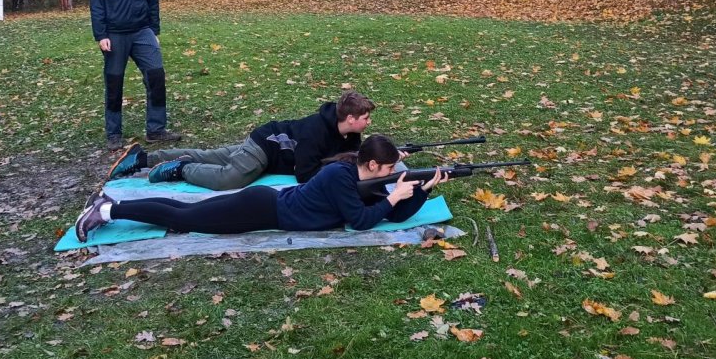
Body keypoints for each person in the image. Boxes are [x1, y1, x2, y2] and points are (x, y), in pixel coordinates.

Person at [74, 135, 447, 241]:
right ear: (373, 166)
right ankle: (107, 210)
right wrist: (394, 196)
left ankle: (109, 206)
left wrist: (423, 190)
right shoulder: (342, 177)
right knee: (183, 217)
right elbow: (361, 221)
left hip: (268, 206)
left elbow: (392, 214)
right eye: (390, 169)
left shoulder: (361, 177)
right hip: (262, 209)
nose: (393, 174)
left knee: (183, 213)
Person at [108, 90, 375, 190]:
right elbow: (304, 174)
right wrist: (338, 170)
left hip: (264, 144)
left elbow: (353, 157)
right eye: (365, 118)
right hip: (265, 149)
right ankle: (181, 169)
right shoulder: (315, 132)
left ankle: (141, 158)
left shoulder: (351, 133)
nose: (368, 122)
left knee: (208, 156)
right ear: (350, 118)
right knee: (228, 179)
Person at [90, 0, 181, 148]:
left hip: (142, 30)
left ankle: (156, 129)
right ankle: (114, 134)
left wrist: (154, 30)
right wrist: (101, 34)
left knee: (156, 75)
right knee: (114, 82)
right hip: (114, 33)